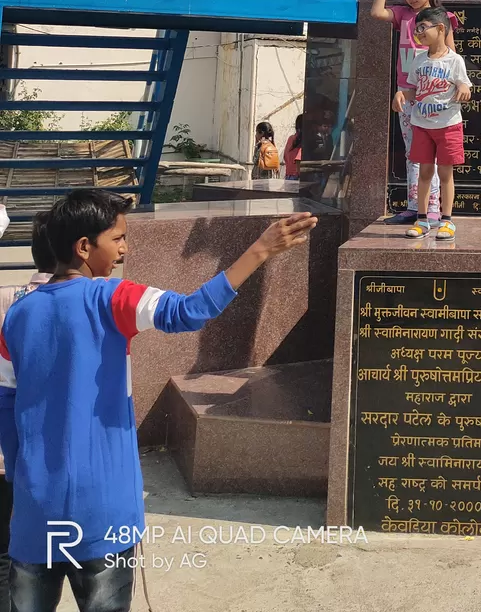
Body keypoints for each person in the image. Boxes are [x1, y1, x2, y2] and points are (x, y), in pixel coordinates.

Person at [0, 189, 316, 611]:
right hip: (106, 511)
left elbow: (7, 408)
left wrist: (20, 482)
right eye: (118, 238)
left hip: (35, 511)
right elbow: (189, 311)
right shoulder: (112, 298)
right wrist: (260, 250)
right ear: (84, 247)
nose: (124, 248)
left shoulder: (16, 316)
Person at [370, 0, 458, 224]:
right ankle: (414, 206)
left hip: (434, 95)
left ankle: (433, 208)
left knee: (432, 155)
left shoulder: (442, 18)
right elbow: (376, 12)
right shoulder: (403, 15)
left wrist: (452, 89)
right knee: (414, 153)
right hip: (407, 92)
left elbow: (452, 56)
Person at [0, 215, 55, 612]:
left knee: (5, 555)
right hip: (46, 463)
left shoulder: (7, 299)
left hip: (5, 460)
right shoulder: (87, 305)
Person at [400, 8, 472, 241]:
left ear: (440, 29)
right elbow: (412, 89)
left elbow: (465, 85)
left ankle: (447, 220)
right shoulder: (419, 60)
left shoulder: (454, 60)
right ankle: (422, 220)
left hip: (448, 125)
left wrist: (464, 87)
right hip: (422, 125)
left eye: (423, 28)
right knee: (424, 172)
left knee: (445, 173)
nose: (418, 33)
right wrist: (401, 95)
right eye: (416, 29)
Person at [284, 114, 303, 180]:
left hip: (288, 174)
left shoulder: (291, 138)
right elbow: (298, 160)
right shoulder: (304, 141)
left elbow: (285, 156)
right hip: (297, 176)